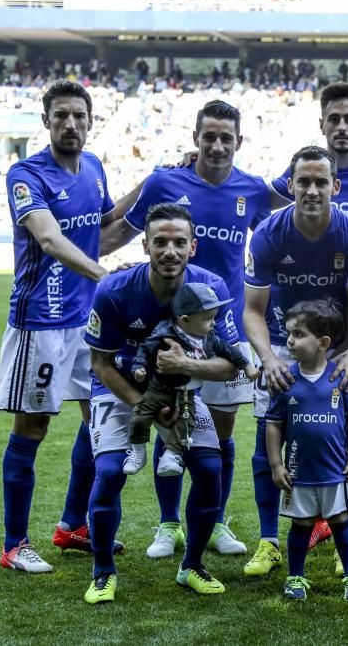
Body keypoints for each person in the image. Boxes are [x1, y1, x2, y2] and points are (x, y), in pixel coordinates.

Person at [101, 100, 275, 558]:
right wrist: (80, 258)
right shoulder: (166, 181)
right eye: (209, 136)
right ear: (194, 138)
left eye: (226, 138)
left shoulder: (252, 190)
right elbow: (119, 231)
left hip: (223, 332)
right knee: (170, 425)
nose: (217, 145)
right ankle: (167, 524)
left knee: (220, 434)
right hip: (169, 332)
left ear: (240, 143)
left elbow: (294, 206)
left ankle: (216, 521)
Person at [83, 203, 240, 603]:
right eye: (160, 242)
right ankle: (103, 571)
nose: (169, 250)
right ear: (145, 247)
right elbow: (100, 364)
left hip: (182, 393)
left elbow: (230, 365)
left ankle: (191, 566)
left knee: (209, 468)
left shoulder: (212, 289)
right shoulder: (114, 290)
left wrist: (185, 364)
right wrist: (147, 410)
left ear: (193, 247)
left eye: (178, 242)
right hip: (121, 390)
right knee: (108, 473)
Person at [243, 145, 348, 577]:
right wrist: (267, 357)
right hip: (284, 342)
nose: (311, 189)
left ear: (335, 187)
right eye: (303, 181)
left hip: (339, 344)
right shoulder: (268, 233)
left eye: (321, 181)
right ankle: (269, 541)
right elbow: (251, 309)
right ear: (290, 186)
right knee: (270, 432)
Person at [0, 81, 119, 573]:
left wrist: (154, 188)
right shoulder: (25, 174)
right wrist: (104, 277)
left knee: (99, 422)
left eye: (79, 116)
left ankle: (72, 527)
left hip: (84, 320)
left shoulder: (92, 167)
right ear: (46, 121)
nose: (71, 124)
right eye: (61, 115)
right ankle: (14, 544)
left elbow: (105, 233)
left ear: (91, 121)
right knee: (34, 426)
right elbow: (49, 240)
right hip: (40, 322)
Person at [270, 83, 348, 552]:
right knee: (311, 420)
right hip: (311, 331)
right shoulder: (301, 172)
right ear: (321, 125)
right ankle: (322, 512)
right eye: (334, 120)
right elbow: (250, 196)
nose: (342, 127)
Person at [265, 301, 348, 602]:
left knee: (341, 523)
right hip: (298, 473)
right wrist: (275, 465)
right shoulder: (285, 380)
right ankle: (295, 577)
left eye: (298, 334)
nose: (290, 341)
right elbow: (273, 426)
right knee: (301, 525)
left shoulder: (341, 378)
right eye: (289, 334)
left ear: (323, 343)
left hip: (335, 472)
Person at [124, 283, 259, 476]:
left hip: (186, 392)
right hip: (158, 388)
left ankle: (171, 455)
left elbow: (230, 352)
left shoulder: (209, 338)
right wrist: (139, 368)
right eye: (208, 319)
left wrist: (247, 367)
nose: (213, 324)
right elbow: (146, 348)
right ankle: (138, 452)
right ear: (185, 320)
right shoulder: (165, 333)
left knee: (186, 423)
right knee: (139, 417)